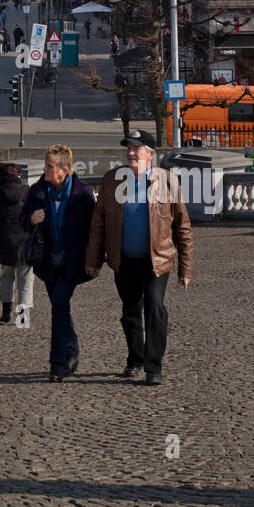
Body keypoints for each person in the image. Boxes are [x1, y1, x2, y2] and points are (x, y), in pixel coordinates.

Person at [86, 129, 193, 386]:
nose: (131, 153)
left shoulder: (167, 181)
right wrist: (93, 260)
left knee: (155, 308)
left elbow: (183, 227)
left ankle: (153, 366)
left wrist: (186, 269)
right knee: (130, 311)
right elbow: (98, 223)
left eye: (137, 148)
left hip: (157, 260)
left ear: (151, 154)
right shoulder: (112, 180)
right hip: (124, 260)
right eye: (129, 149)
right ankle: (135, 359)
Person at [20, 144, 96, 381]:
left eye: (49, 166)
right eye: (45, 165)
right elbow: (22, 220)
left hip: (73, 261)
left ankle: (58, 363)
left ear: (64, 170)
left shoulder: (82, 194)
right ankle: (72, 350)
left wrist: (94, 260)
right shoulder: (37, 191)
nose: (45, 170)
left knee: (60, 303)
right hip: (47, 261)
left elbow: (95, 230)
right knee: (60, 306)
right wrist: (31, 219)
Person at [0, 161, 32, 325]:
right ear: (18, 175)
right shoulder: (27, 192)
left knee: (7, 277)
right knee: (25, 280)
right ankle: (23, 318)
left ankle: (6, 312)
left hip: (6, 241)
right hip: (25, 241)